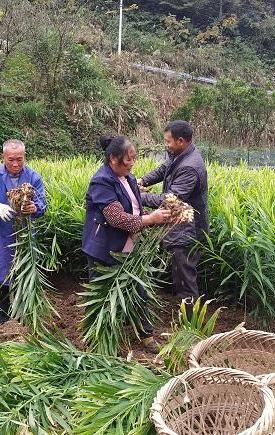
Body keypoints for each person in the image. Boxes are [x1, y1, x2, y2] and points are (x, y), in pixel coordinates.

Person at [82, 135, 171, 353]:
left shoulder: (129, 178)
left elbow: (135, 210)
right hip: (105, 249)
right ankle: (98, 338)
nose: (132, 163)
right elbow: (116, 218)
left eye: (134, 158)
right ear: (113, 158)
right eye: (128, 159)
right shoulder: (101, 180)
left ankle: (145, 334)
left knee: (136, 291)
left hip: (129, 248)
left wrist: (159, 216)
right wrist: (150, 220)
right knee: (102, 295)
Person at [138, 120, 209, 310]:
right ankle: (184, 312)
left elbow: (171, 199)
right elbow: (164, 169)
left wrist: (139, 196)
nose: (166, 145)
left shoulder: (190, 166)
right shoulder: (179, 154)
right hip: (179, 225)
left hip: (188, 231)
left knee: (185, 277)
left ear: (181, 141)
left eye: (168, 142)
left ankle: (191, 322)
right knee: (179, 273)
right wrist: (142, 180)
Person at [0, 139, 47, 324]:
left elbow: (42, 204)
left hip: (25, 238)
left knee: (24, 278)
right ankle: (2, 322)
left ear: (24, 157)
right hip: (1, 237)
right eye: (11, 160)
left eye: (19, 159)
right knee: (1, 280)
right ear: (3, 157)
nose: (15, 164)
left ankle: (23, 320)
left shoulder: (33, 177)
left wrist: (35, 208)